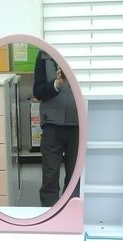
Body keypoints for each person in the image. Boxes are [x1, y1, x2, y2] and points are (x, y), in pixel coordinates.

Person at [33, 50, 80, 207]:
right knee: (50, 175)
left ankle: (70, 213)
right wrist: (57, 84)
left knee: (74, 176)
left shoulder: (83, 56)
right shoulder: (44, 55)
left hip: (78, 125)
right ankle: (49, 217)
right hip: (51, 125)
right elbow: (38, 92)